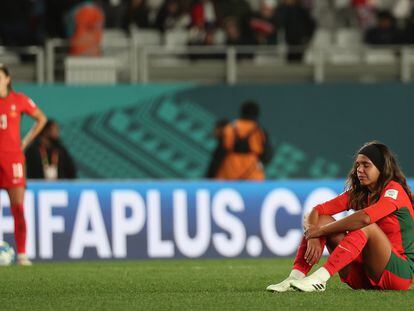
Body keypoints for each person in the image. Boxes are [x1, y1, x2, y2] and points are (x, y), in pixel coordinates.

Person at [266, 141, 414, 292]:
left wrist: (320, 232)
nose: (360, 170)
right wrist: (312, 234)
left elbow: (365, 219)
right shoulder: (361, 193)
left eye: (366, 165)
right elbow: (315, 211)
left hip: (398, 275)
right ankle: (294, 278)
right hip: (363, 275)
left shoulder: (394, 191)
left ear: (381, 168)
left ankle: (320, 279)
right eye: (358, 165)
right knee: (321, 219)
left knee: (367, 226)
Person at [0, 64, 47, 265]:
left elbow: (41, 118)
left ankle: (22, 253)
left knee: (18, 207)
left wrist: (25, 142)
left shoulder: (19, 100)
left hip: (13, 159)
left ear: (7, 78)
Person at [216, 100, 272, 180]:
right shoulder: (260, 131)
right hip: (253, 177)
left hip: (229, 175)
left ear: (241, 112)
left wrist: (210, 177)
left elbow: (219, 155)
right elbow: (267, 155)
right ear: (257, 114)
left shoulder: (230, 128)